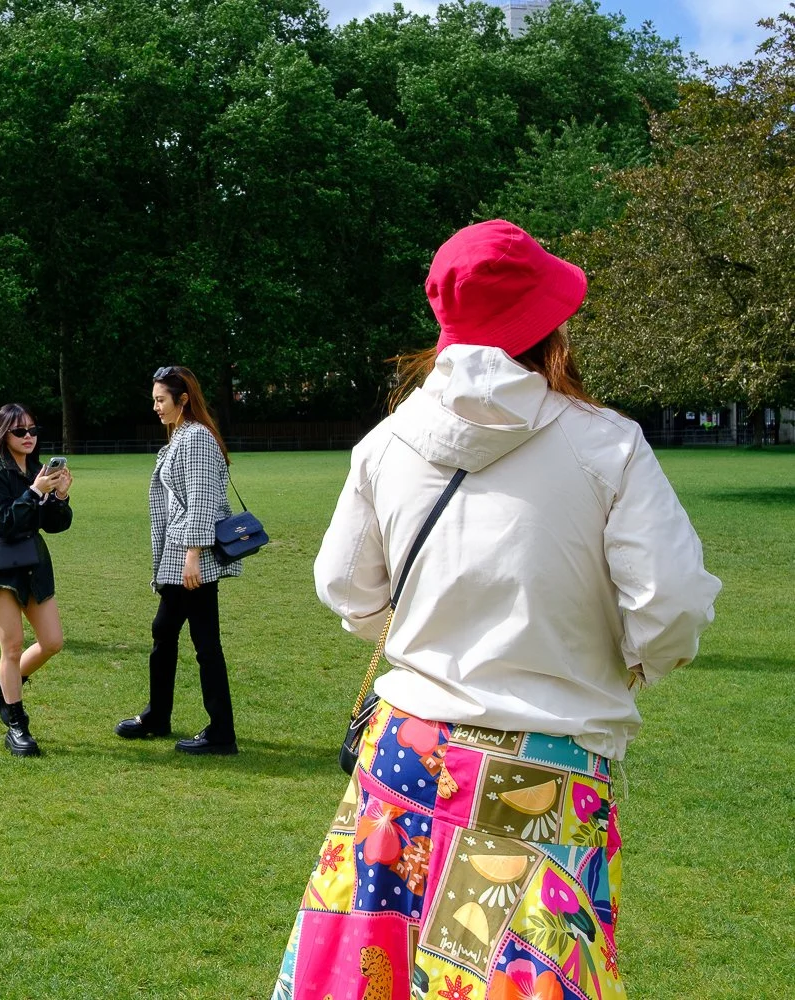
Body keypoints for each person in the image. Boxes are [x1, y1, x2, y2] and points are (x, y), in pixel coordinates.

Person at [268, 221, 721, 1000]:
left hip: (406, 749)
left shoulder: (388, 442)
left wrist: (413, 640)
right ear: (547, 324)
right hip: (540, 761)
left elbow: (345, 588)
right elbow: (670, 603)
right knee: (513, 980)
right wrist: (630, 662)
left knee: (371, 975)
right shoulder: (606, 444)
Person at [115, 365, 243, 755]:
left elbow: (203, 502)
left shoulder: (196, 438)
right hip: (180, 554)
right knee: (170, 632)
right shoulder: (182, 436)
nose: (155, 407)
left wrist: (193, 557)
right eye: (153, 400)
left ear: (182, 399)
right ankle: (165, 716)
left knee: (199, 642)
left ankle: (213, 730)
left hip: (190, 557)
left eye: (160, 400)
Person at [0, 404, 73, 756]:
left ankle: (1, 690)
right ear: (3, 435)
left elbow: (55, 525)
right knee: (11, 646)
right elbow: (1, 522)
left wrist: (59, 497)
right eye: (19, 431)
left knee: (53, 641)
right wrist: (32, 492)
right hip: (1, 563)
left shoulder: (38, 469)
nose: (28, 437)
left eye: (32, 430)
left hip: (34, 560)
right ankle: (16, 724)